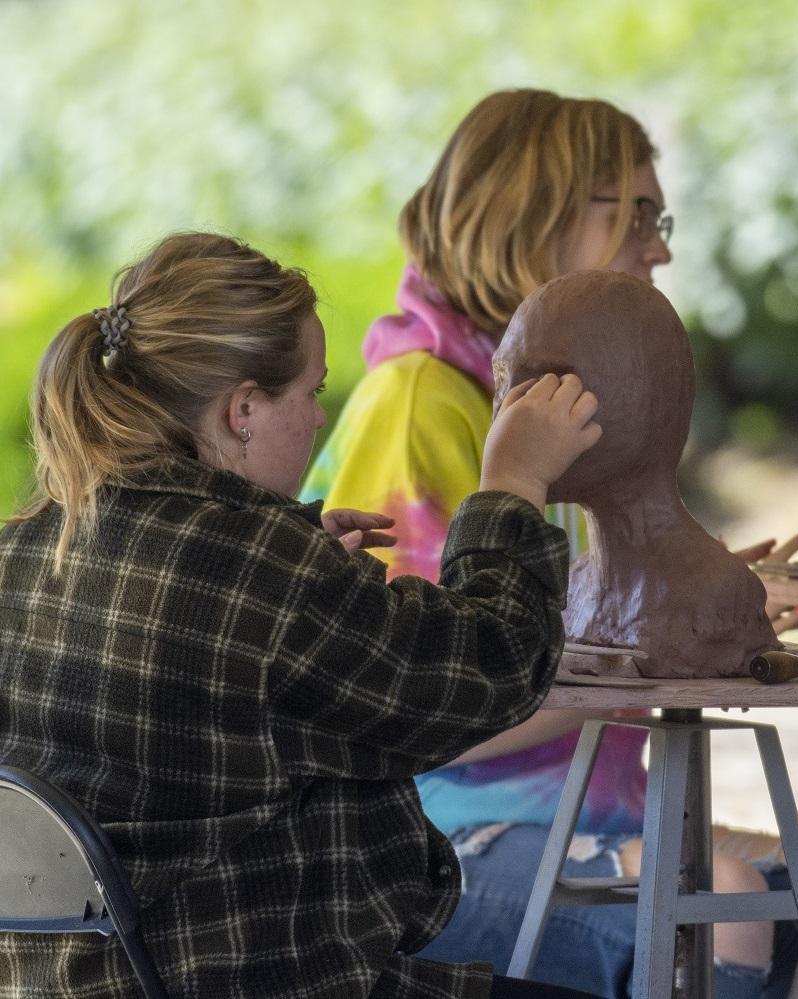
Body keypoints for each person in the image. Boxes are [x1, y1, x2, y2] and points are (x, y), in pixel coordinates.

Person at [301, 90, 798, 998]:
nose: (660, 245)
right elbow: (403, 719)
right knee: (732, 905)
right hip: (432, 838)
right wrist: (649, 652)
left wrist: (683, 584)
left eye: (663, 216)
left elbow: (537, 617)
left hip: (579, 813)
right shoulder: (422, 400)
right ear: (531, 215)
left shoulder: (549, 401)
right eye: (638, 215)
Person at [0, 231, 611, 999]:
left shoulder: (22, 549)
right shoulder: (259, 568)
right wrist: (513, 481)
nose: (319, 420)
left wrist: (297, 568)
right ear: (244, 408)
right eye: (312, 393)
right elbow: (491, 669)